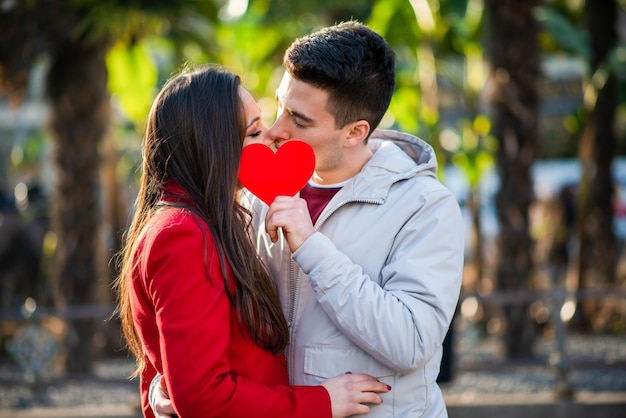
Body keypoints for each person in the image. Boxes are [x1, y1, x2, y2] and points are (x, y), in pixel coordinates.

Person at [154, 21, 464, 417]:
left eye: (299, 121)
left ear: (355, 132)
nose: (276, 130)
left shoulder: (425, 207)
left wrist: (312, 247)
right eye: (280, 106)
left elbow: (412, 343)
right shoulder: (252, 195)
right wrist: (178, 386)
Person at [113, 64, 390, 418]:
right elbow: (201, 395)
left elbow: (173, 371)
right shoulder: (181, 234)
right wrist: (322, 402)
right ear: (216, 144)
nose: (273, 136)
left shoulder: (210, 219)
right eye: (255, 131)